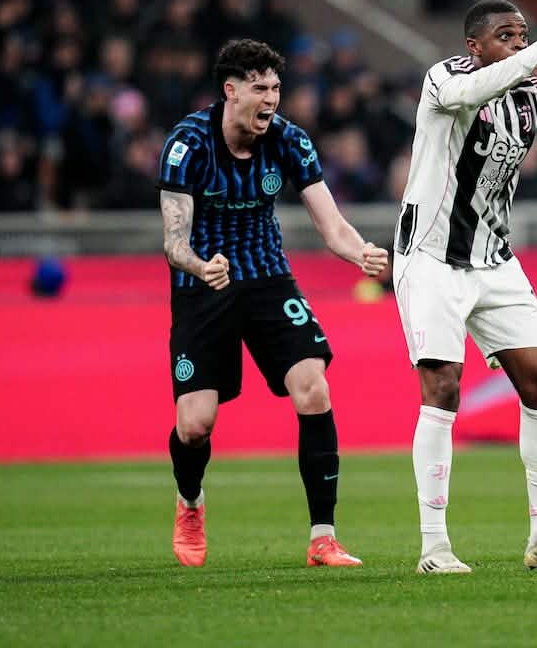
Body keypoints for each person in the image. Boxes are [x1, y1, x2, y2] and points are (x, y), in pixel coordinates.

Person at [158, 39, 388, 568]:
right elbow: (173, 242)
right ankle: (190, 502)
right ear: (231, 90)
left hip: (267, 278)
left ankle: (323, 538)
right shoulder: (187, 144)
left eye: (276, 88)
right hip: (204, 285)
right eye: (260, 88)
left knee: (314, 388)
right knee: (195, 425)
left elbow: (332, 225)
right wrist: (201, 265)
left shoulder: (289, 140)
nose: (271, 100)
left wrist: (361, 253)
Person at [393, 0, 537, 574]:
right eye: (503, 36)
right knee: (443, 387)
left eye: (521, 34)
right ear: (474, 46)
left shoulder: (529, 95)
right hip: (431, 258)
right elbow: (470, 92)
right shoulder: (446, 78)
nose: (516, 44)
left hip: (495, 260)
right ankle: (435, 547)